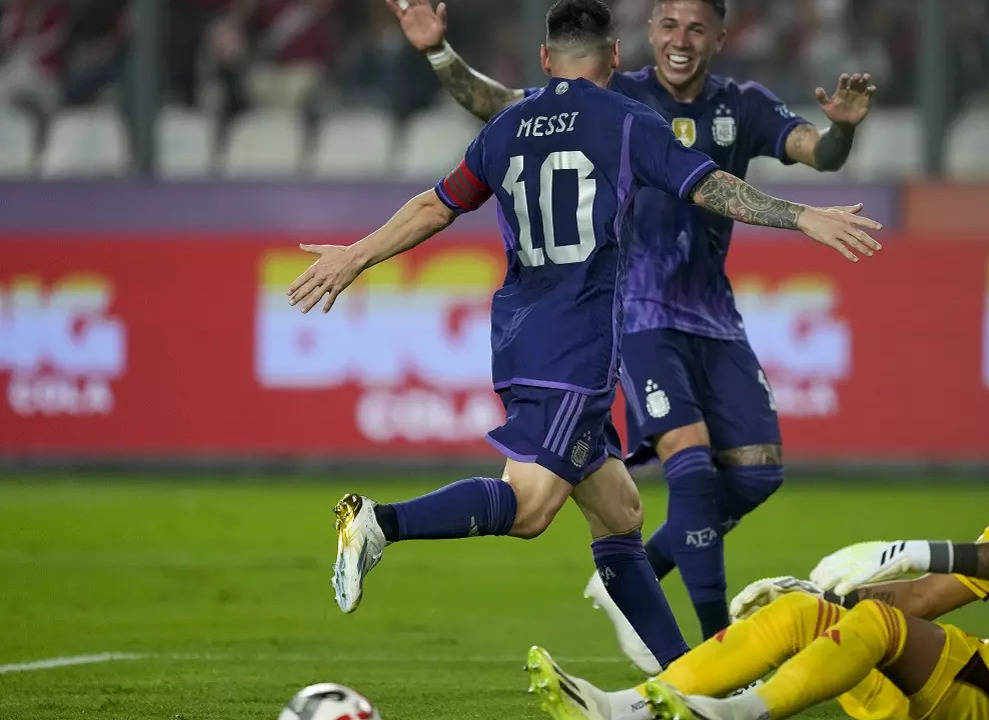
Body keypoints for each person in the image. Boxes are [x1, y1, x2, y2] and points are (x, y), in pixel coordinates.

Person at [286, 0, 883, 674]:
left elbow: (435, 204)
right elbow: (711, 187)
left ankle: (688, 679)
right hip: (578, 347)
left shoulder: (510, 123)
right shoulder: (626, 120)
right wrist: (802, 216)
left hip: (519, 337)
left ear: (546, 61)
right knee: (533, 508)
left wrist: (355, 255)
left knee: (621, 517)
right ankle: (376, 521)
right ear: (617, 58)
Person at [526, 367, 989, 720]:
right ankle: (629, 709)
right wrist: (827, 595)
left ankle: (731, 716)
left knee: (880, 629)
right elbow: (928, 597)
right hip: (988, 686)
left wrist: (918, 548)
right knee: (811, 614)